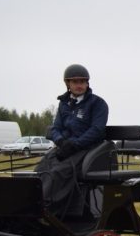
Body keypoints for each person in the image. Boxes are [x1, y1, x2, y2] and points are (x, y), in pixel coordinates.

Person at [37, 64, 109, 216]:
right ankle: (30, 205)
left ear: (87, 83)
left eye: (82, 82)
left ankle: (46, 210)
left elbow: (96, 130)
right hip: (65, 147)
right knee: (41, 168)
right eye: (75, 82)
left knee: (59, 172)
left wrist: (74, 145)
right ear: (68, 84)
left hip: (87, 149)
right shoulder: (64, 104)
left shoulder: (98, 104)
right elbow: (55, 128)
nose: (79, 85)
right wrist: (62, 142)